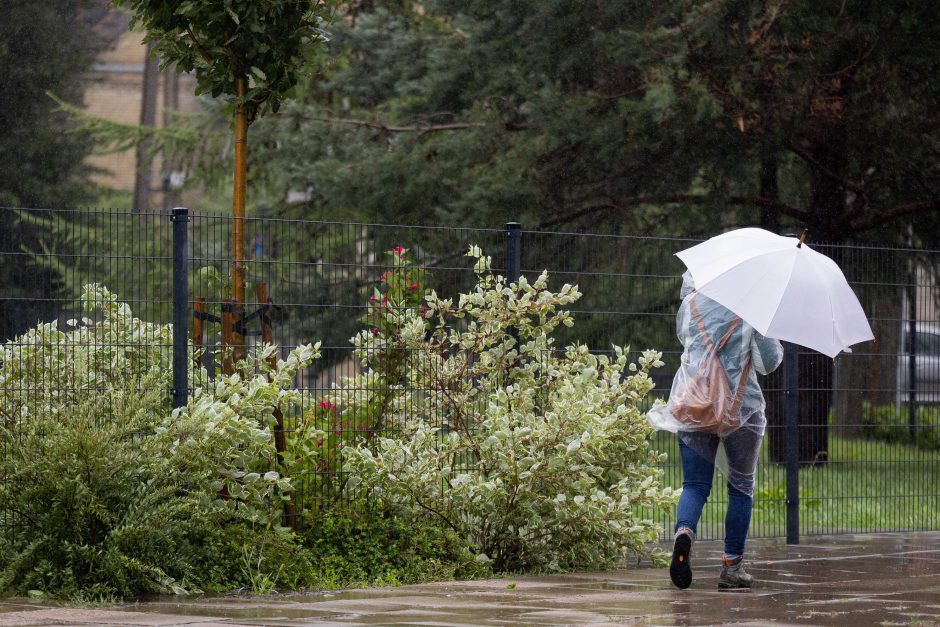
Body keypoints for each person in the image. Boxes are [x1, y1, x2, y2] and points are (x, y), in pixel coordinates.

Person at [649, 272, 783, 590]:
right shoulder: (753, 310)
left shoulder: (692, 303)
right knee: (740, 488)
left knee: (694, 485)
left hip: (694, 404)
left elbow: (686, 339)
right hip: (741, 410)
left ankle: (684, 533)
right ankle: (732, 569)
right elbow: (769, 363)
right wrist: (765, 327)